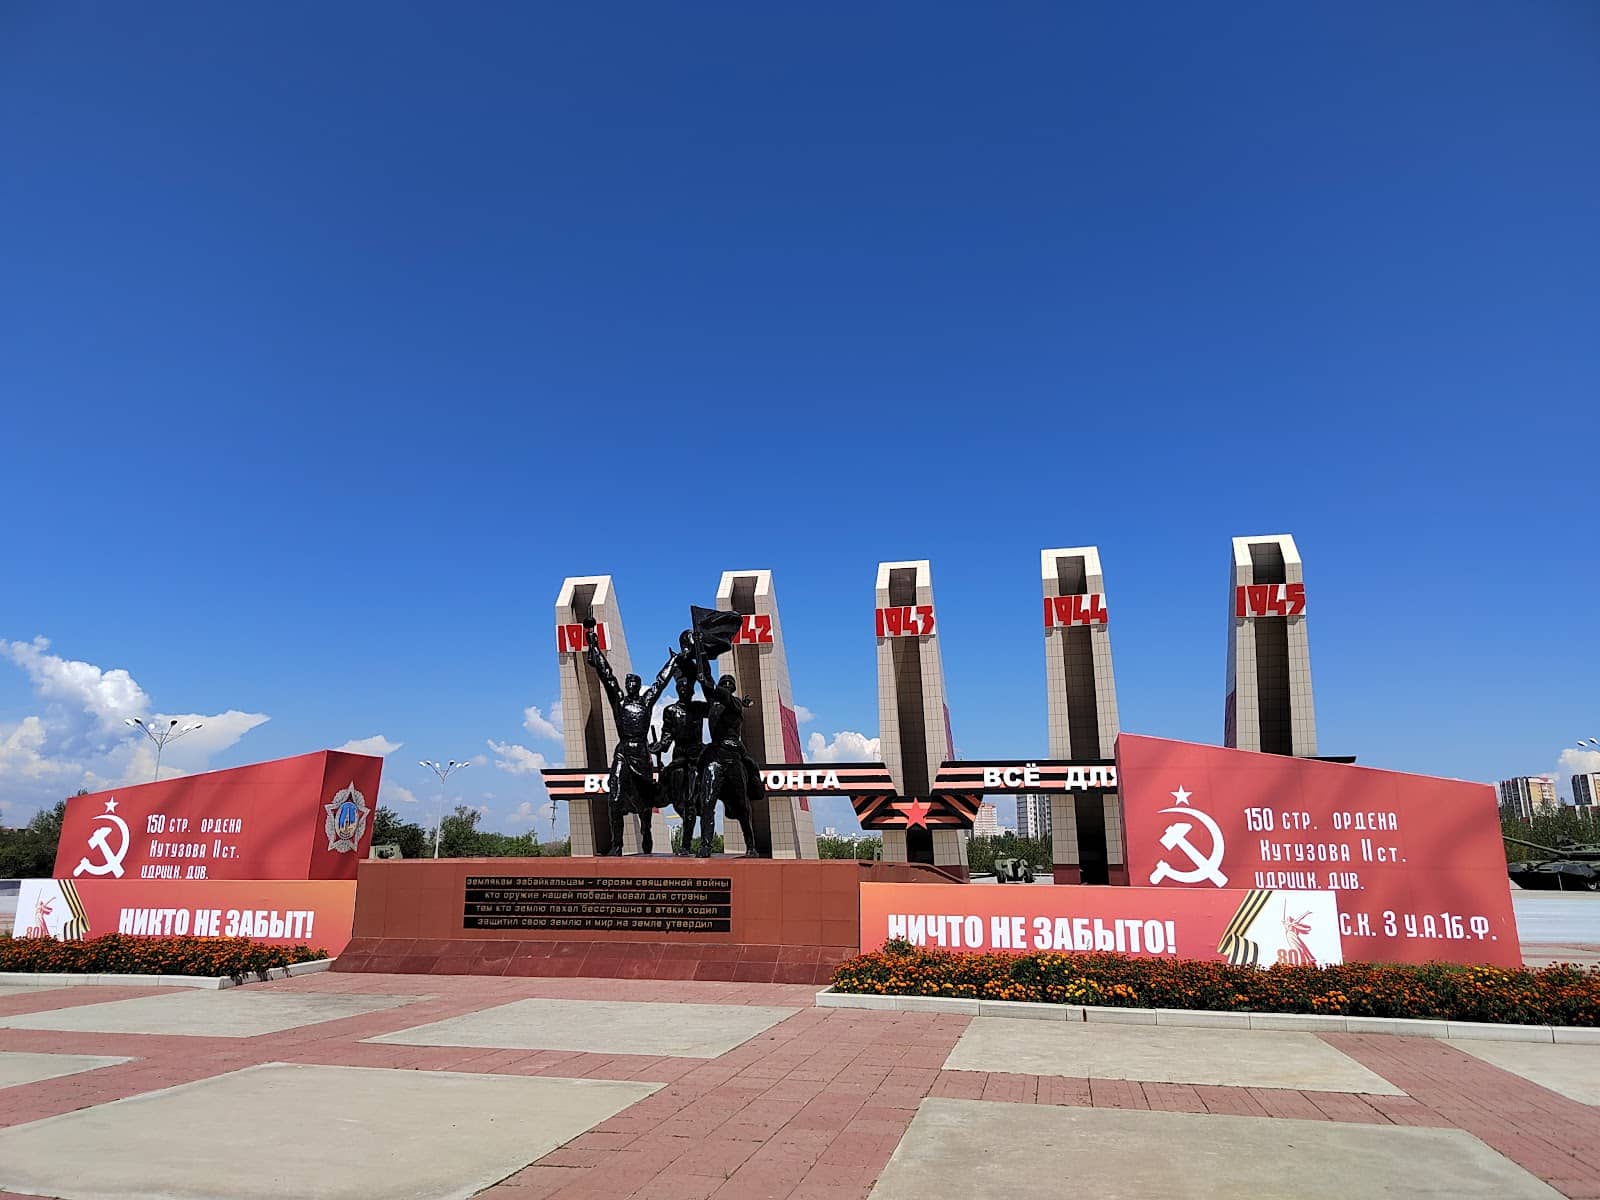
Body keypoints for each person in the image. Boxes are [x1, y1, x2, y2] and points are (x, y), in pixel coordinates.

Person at [584, 618, 677, 856]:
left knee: (645, 806)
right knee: (614, 797)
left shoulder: (646, 702)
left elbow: (660, 683)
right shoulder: (619, 700)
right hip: (623, 752)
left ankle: (647, 846)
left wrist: (674, 660)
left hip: (641, 753)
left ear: (638, 685)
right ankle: (617, 846)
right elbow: (606, 675)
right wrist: (593, 646)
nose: (631, 685)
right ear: (626, 686)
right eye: (628, 682)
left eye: (634, 682)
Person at [695, 669, 765, 858]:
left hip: (733, 757)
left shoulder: (733, 703)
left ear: (732, 689)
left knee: (742, 805)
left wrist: (705, 679)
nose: (726, 686)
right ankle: (706, 845)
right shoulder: (713, 703)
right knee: (707, 802)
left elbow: (713, 689)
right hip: (715, 756)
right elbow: (706, 692)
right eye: (723, 683)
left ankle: (750, 845)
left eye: (728, 684)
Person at [650, 632, 708, 856]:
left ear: (692, 690)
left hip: (697, 758)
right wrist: (658, 746)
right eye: (681, 687)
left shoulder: (698, 708)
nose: (684, 690)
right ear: (677, 689)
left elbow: (714, 704)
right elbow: (666, 736)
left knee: (695, 800)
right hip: (679, 758)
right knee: (669, 789)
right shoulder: (670, 711)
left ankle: (688, 845)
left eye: (687, 688)